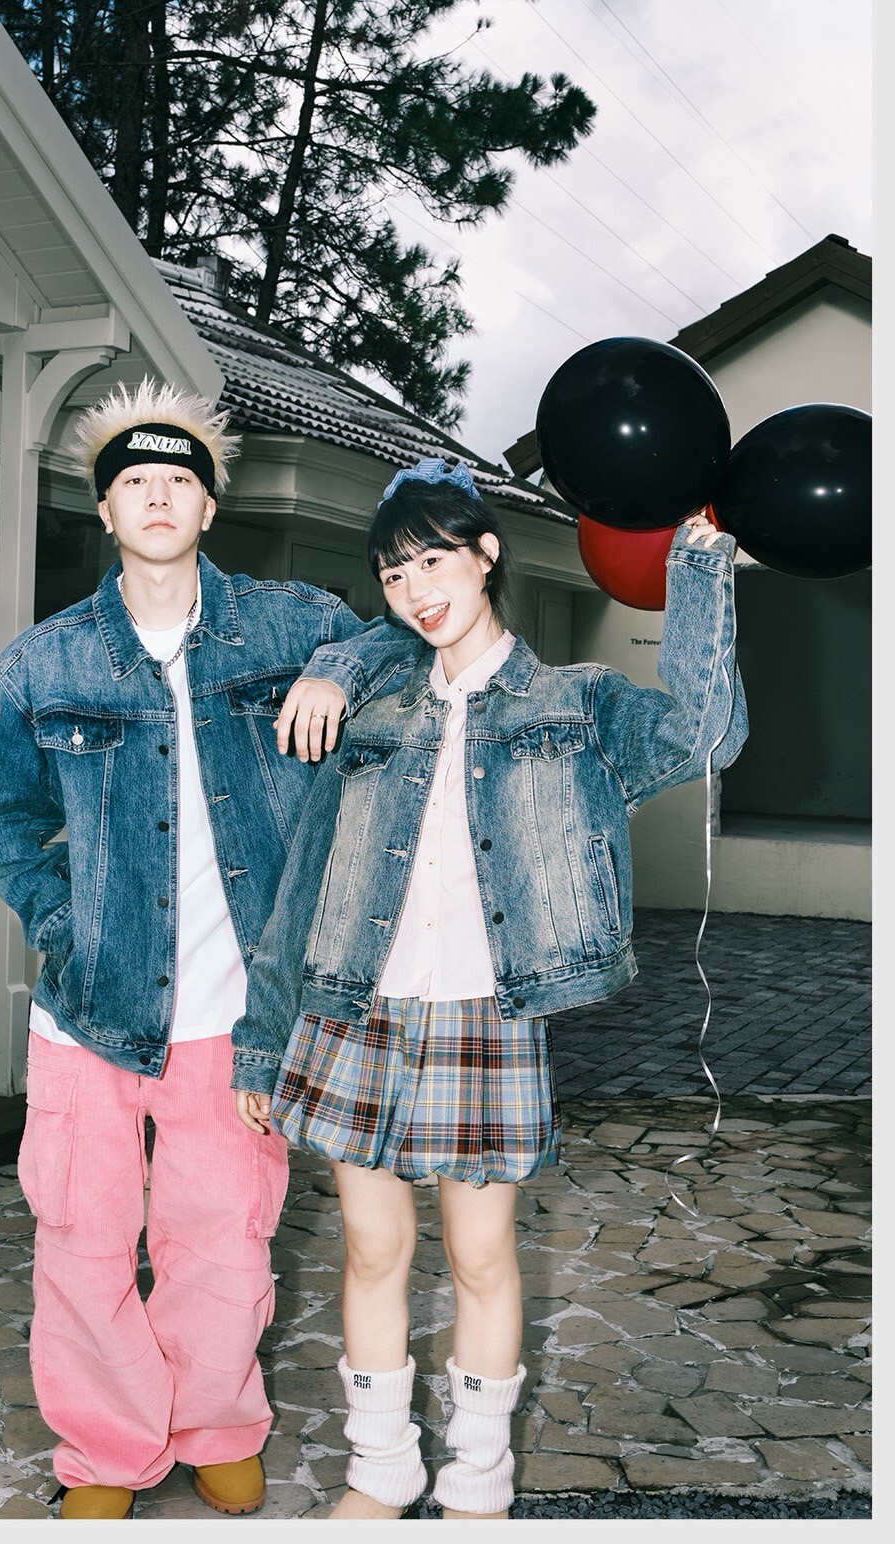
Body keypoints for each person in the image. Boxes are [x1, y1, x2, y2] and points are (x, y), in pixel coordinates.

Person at [230, 458, 748, 1521]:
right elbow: (302, 885)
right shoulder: (371, 713)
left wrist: (697, 571)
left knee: (479, 1257)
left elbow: (708, 733)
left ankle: (478, 1480)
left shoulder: (574, 703)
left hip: (482, 1018)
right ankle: (380, 1470)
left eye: (431, 561)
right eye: (392, 573)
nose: (415, 589)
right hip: (353, 1010)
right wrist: (261, 1039)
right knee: (372, 1248)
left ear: (485, 554)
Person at [0, 379, 414, 1520]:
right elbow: (0, 819)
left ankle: (215, 1422)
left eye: (178, 480)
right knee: (82, 1237)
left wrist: (336, 670)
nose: (157, 497)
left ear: (209, 507)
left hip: (238, 1013)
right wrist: (65, 925)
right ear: (105, 510)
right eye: (135, 482)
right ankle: (108, 1448)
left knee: (224, 1237)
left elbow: (409, 643)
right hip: (89, 1010)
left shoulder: (293, 623)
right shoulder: (41, 662)